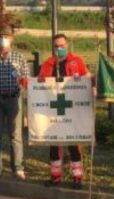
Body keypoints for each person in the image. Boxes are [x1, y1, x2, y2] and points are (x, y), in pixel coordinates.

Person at [38, 33, 95, 189]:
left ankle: (77, 177)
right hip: (54, 109)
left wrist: (94, 84)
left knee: (74, 144)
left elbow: (88, 79)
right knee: (54, 143)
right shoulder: (47, 65)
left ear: (67, 45)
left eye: (62, 46)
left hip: (73, 108)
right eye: (56, 46)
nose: (59, 49)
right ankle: (55, 176)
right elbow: (38, 84)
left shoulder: (77, 62)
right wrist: (25, 82)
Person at [0, 26, 29, 180]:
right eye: (0, 36)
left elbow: (27, 79)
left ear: (11, 39)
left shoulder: (19, 58)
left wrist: (22, 83)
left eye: (6, 36)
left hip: (14, 99)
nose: (3, 39)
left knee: (15, 135)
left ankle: (18, 167)